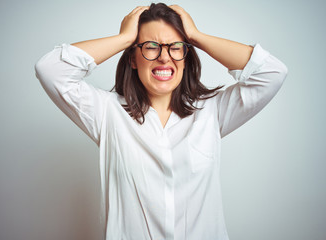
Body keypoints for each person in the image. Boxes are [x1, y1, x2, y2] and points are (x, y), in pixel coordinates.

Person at [35, 3, 287, 240]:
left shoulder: (212, 112)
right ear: (133, 58)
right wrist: (124, 38)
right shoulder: (107, 112)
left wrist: (196, 36)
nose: (164, 58)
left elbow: (272, 73)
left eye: (175, 47)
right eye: (151, 46)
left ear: (186, 56)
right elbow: (50, 70)